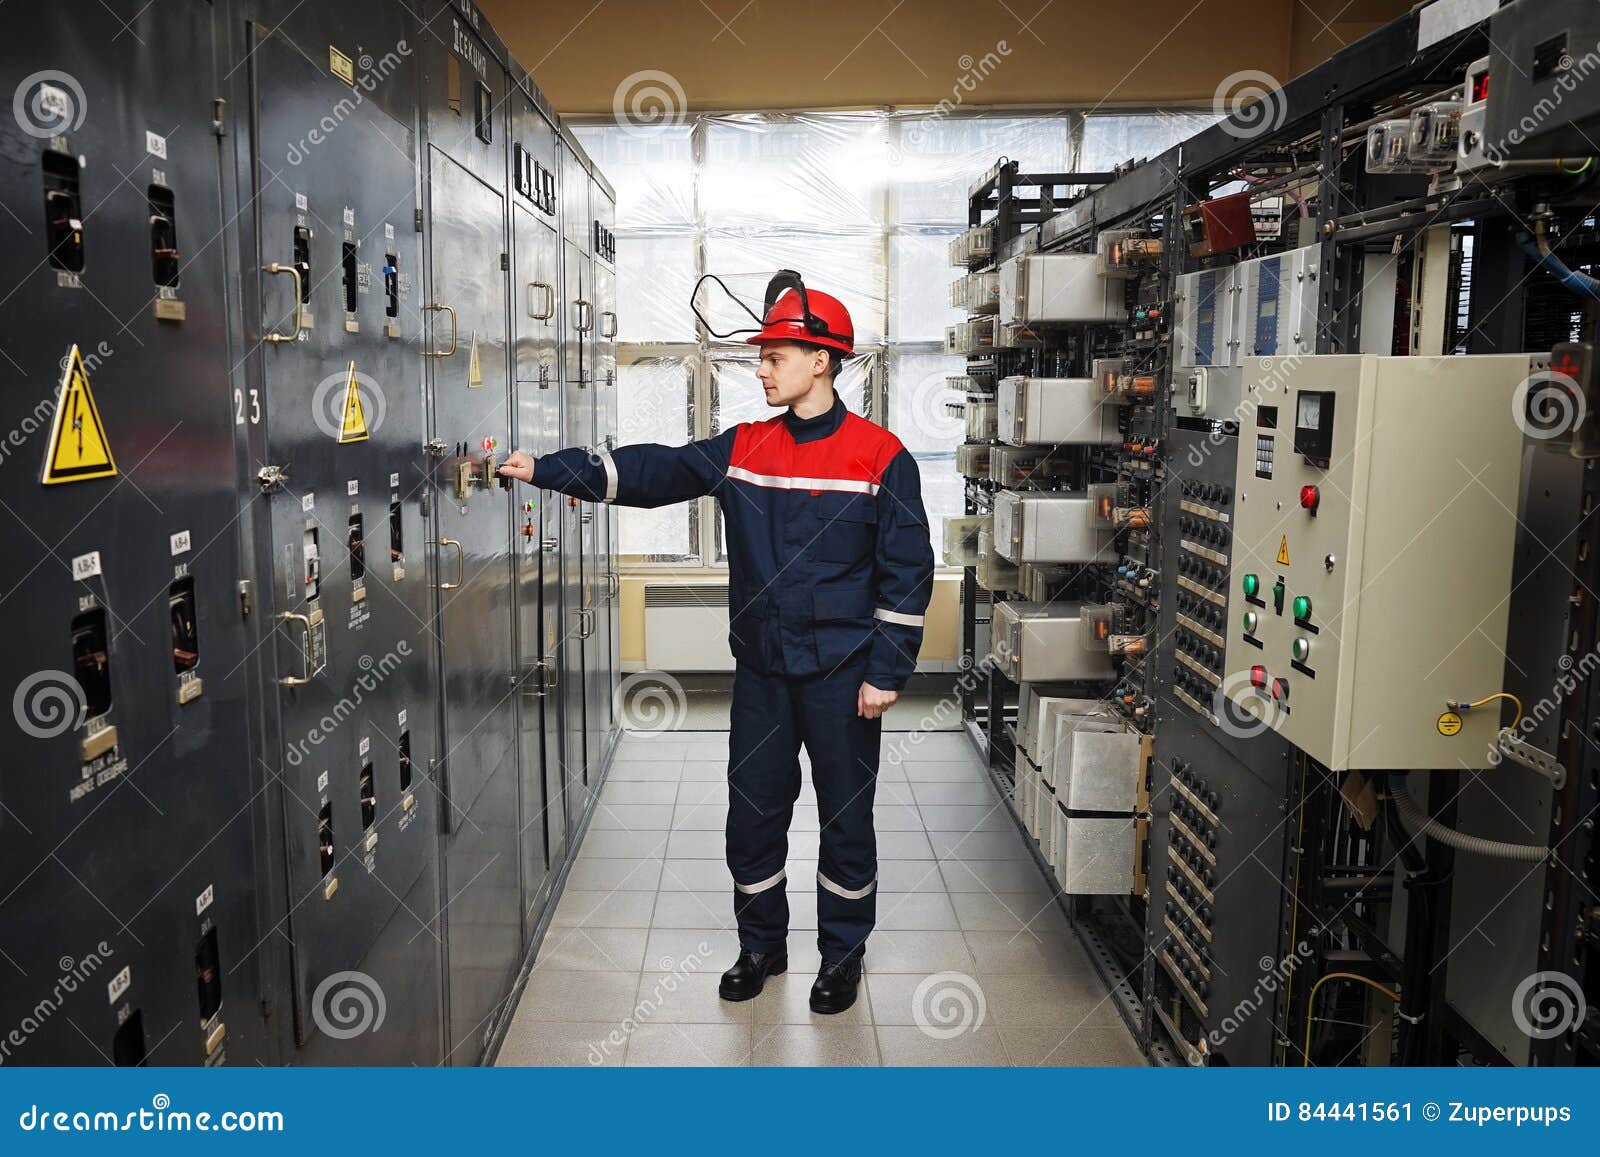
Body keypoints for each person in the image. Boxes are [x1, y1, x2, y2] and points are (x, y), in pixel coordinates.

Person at [498, 278, 934, 1014]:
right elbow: (654, 470)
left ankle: (842, 956)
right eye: (762, 355)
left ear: (822, 361)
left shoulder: (881, 457)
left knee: (845, 821)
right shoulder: (745, 448)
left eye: (775, 354)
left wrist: (886, 672)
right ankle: (761, 944)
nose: (762, 369)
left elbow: (907, 567)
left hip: (842, 678)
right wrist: (547, 469)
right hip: (764, 674)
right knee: (753, 813)